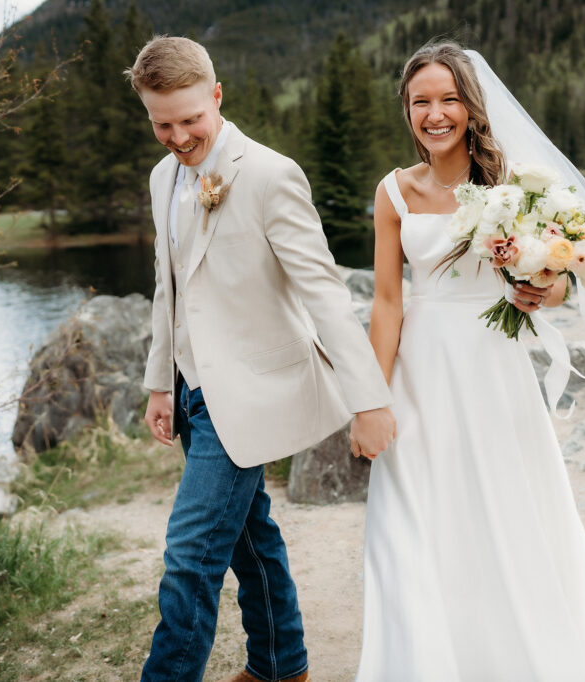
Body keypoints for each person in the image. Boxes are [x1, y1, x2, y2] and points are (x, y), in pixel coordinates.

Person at [357, 42, 585, 681]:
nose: (435, 114)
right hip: (420, 375)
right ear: (406, 110)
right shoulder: (393, 192)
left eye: (447, 99)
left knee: (504, 513)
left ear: (470, 105)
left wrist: (546, 288)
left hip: (494, 368)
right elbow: (386, 301)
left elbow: (564, 271)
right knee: (406, 524)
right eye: (420, 102)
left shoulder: (516, 182)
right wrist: (370, 400)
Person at [125, 36, 396, 682]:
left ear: (216, 97)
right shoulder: (163, 177)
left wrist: (370, 400)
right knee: (249, 539)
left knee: (189, 555)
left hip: (251, 393)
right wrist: (160, 384)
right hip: (192, 394)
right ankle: (281, 665)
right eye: (162, 124)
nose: (179, 136)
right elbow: (169, 288)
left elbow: (324, 294)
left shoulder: (271, 175)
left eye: (191, 119)